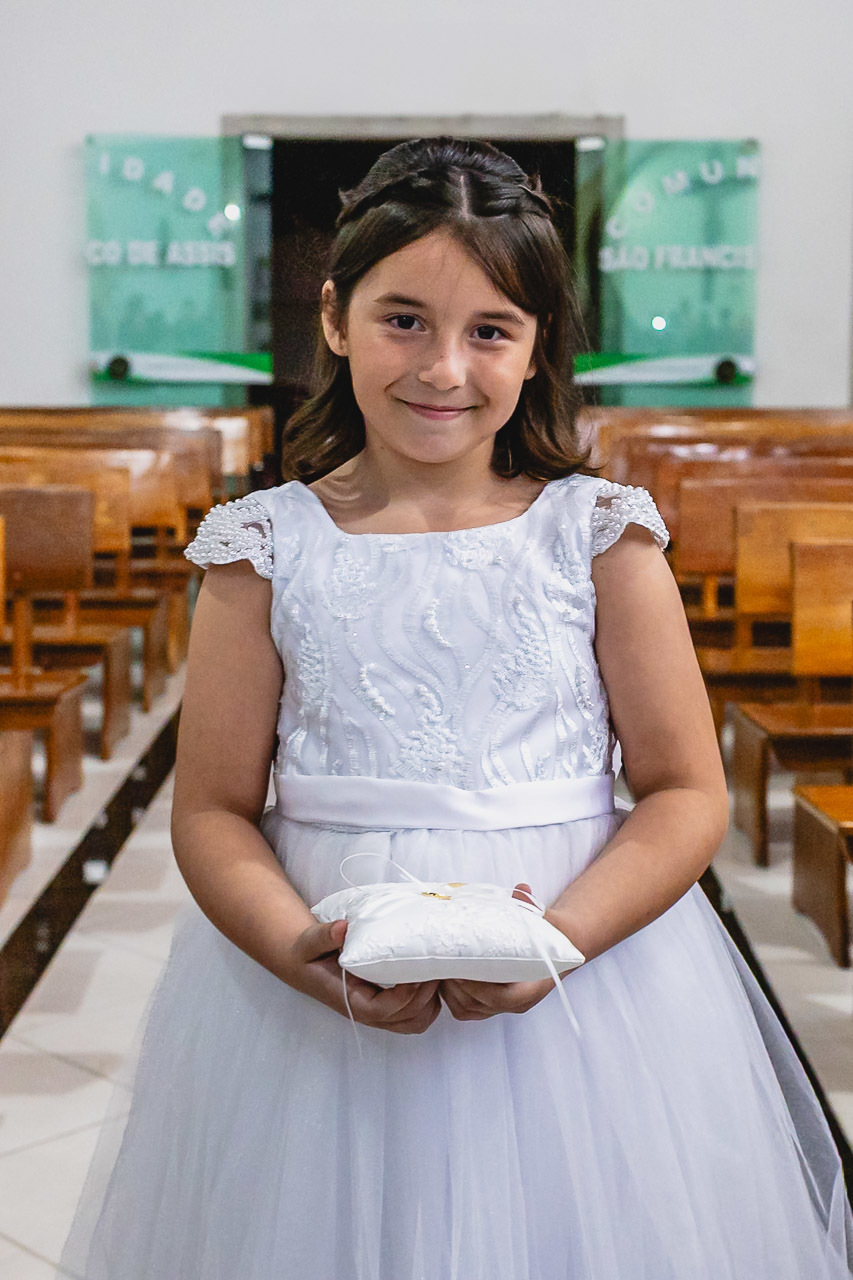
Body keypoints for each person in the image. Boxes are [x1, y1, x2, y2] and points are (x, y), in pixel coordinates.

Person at [62, 137, 853, 1279]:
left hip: (586, 973)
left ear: (536, 349)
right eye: (403, 319)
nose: (443, 366)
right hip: (318, 976)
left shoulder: (598, 534)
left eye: (490, 329)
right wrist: (303, 953)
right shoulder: (264, 544)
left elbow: (685, 790)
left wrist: (560, 942)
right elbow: (213, 811)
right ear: (334, 317)